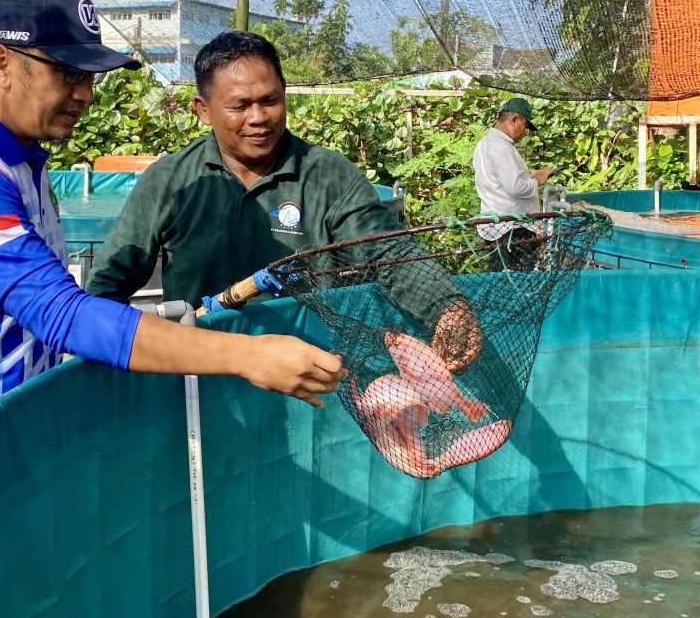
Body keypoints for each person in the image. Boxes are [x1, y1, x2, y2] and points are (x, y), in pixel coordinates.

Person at [0, 0, 343, 498]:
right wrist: (249, 356)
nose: (84, 94)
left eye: (91, 76)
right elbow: (63, 314)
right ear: (0, 63)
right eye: (67, 72)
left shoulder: (19, 161)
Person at [85, 31, 481, 373]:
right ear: (203, 110)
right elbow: (109, 285)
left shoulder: (326, 175)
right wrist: (96, 354)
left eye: (270, 100)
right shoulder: (170, 181)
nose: (258, 117)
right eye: (240, 106)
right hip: (200, 378)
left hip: (306, 375)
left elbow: (387, 249)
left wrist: (444, 306)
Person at [472, 97, 555, 271]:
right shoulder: (501, 147)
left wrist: (530, 177)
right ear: (515, 119)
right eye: (525, 126)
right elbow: (515, 188)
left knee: (499, 278)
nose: (525, 132)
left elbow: (503, 184)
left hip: (497, 227)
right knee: (517, 282)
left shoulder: (485, 144)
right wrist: (536, 180)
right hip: (512, 230)